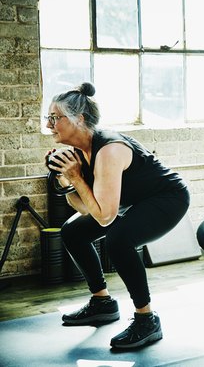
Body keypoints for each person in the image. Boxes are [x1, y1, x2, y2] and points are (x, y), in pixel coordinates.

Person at [44, 82, 190, 350]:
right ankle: (102, 302)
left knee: (117, 240)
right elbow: (87, 208)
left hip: (166, 199)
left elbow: (104, 218)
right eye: (49, 117)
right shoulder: (79, 152)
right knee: (73, 231)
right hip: (131, 203)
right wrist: (67, 181)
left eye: (55, 117)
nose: (49, 124)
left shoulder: (109, 150)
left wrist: (76, 176)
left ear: (79, 119)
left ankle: (147, 319)